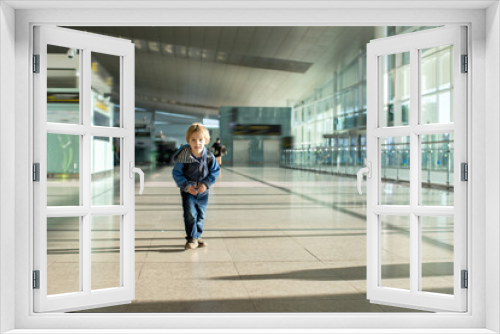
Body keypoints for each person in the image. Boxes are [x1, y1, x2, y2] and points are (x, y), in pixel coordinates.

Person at [172, 123, 220, 250]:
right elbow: (177, 172)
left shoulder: (209, 156)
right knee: (190, 214)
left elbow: (215, 171)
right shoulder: (184, 156)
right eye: (193, 140)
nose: (197, 143)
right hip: (189, 191)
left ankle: (197, 236)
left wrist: (206, 184)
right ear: (188, 140)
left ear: (206, 140)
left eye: (200, 140)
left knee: (200, 214)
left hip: (203, 191)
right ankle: (191, 239)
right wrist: (186, 186)